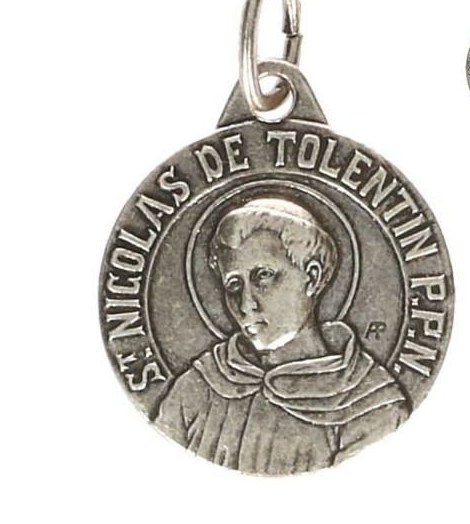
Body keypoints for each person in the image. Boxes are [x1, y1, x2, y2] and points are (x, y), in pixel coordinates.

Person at [154, 196, 409, 474]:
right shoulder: (196, 390)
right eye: (233, 284)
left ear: (312, 278)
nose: (245, 304)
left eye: (263, 275)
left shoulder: (372, 406)